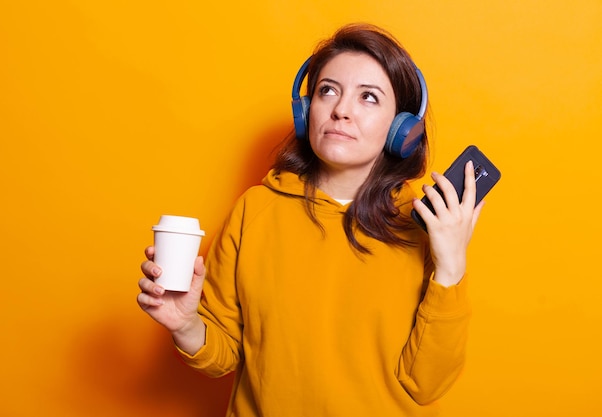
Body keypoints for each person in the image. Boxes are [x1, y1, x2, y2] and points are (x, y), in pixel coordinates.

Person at [138, 22, 484, 416]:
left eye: (368, 97)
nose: (341, 110)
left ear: (401, 128)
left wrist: (451, 263)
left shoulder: (427, 226)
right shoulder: (255, 210)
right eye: (327, 90)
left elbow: (427, 385)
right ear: (306, 111)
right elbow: (222, 355)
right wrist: (184, 324)